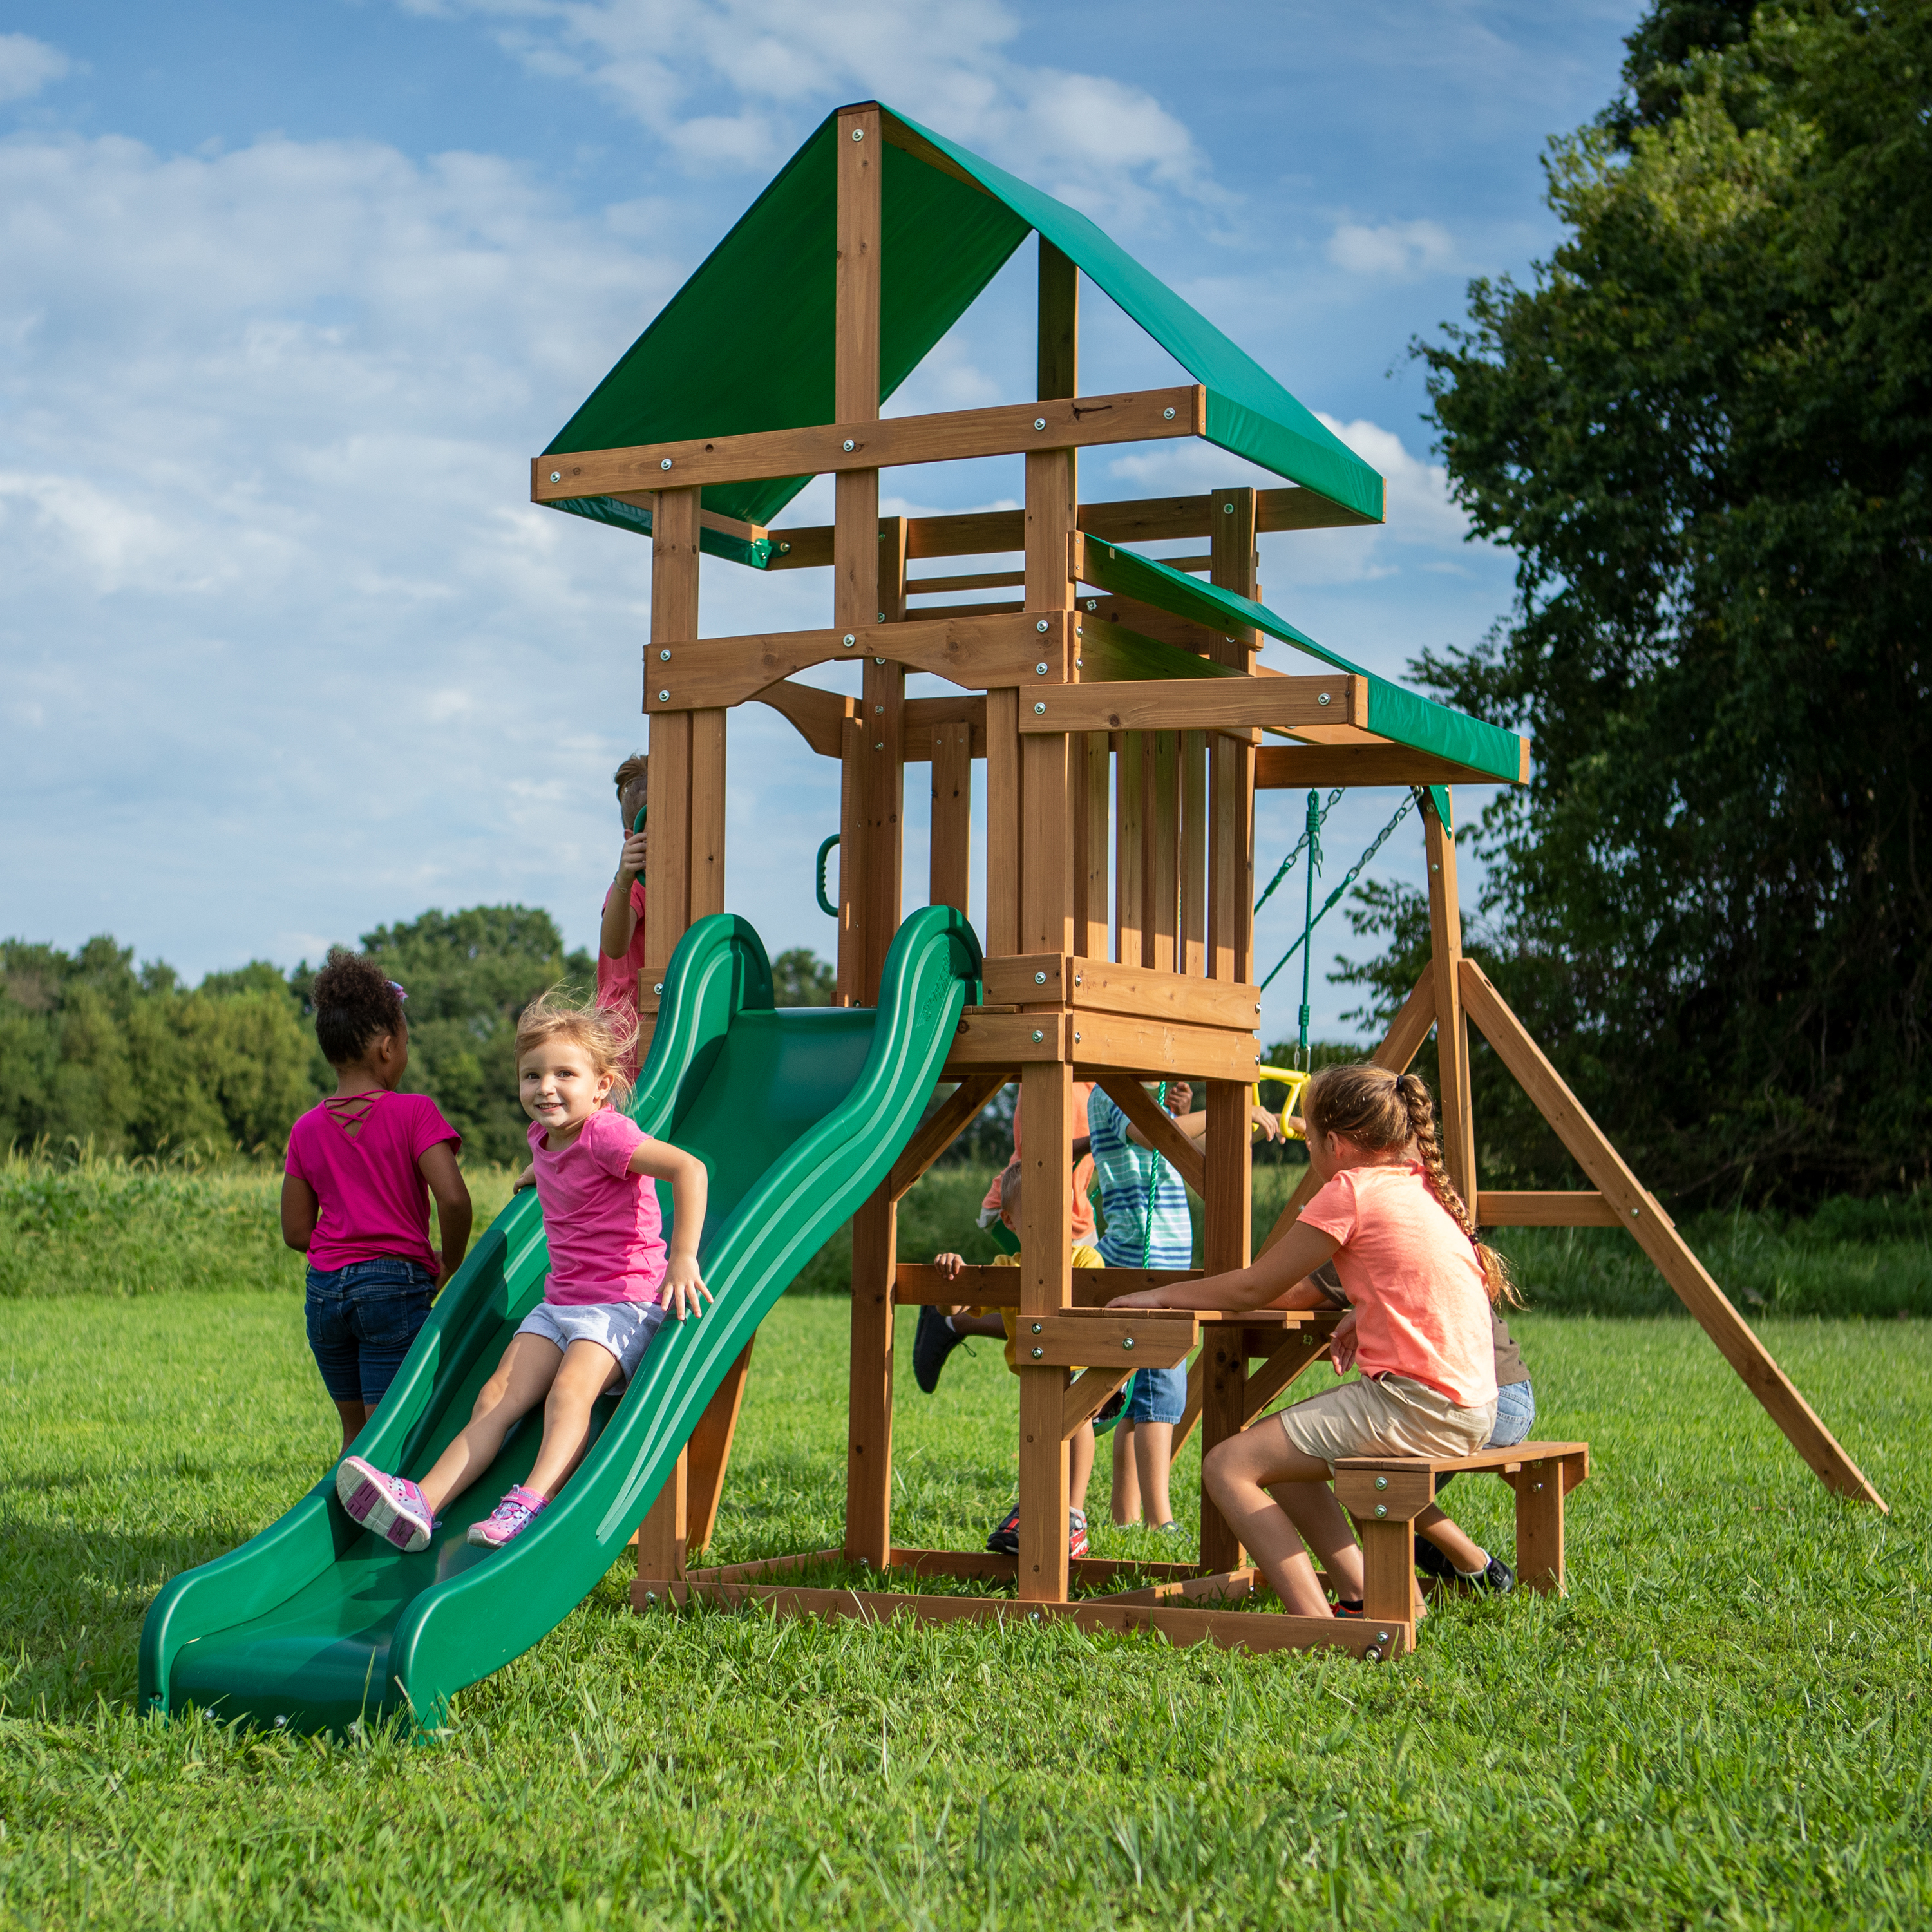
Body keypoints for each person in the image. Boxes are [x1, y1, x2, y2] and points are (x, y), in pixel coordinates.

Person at [1108, 1063, 1509, 1620]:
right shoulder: (1417, 1180)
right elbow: (1416, 1282)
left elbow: (1254, 1285)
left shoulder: (1349, 1190)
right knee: (1281, 1461)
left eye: (1311, 1139)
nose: (1308, 1150)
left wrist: (1158, 1297)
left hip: (1419, 1406)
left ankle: (1315, 1626)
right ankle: (1363, 1598)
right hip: (1470, 1404)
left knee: (1228, 1466)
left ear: (1338, 1145)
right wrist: (1362, 1314)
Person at [335, 988, 710, 1554]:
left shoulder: (608, 1134)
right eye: (532, 1076)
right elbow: (567, 1164)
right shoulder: (543, 1137)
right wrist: (542, 1175)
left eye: (565, 1074)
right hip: (560, 1303)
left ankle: (532, 1500)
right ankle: (423, 1502)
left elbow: (689, 1168)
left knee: (568, 1395)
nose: (546, 1088)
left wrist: (682, 1256)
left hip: (621, 1304)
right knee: (495, 1396)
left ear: (601, 1086)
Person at [282, 952, 471, 1454]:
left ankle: (344, 1529)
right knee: (393, 1436)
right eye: (405, 1041)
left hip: (324, 1295)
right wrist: (450, 1261)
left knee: (356, 1435)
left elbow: (296, 1233)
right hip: (393, 1288)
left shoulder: (306, 1129)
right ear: (389, 1048)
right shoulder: (415, 1113)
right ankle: (389, 1529)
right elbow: (453, 1198)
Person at [1090, 1079, 1281, 1533]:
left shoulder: (1142, 1098)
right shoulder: (1112, 1091)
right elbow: (1150, 1134)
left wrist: (1240, 1123)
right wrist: (1225, 1114)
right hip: (1144, 1261)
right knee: (1161, 1396)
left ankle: (1126, 1516)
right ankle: (1161, 1521)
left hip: (1160, 1261)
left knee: (1140, 1404)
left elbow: (1193, 1150)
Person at [1293, 1262, 1530, 1593]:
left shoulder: (1378, 1223)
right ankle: (1471, 1570)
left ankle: (1411, 1596)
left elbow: (1294, 1294)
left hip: (1476, 1397)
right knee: (1364, 1468)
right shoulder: (1437, 1225)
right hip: (1509, 1391)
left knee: (1362, 1469)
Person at [931, 1160, 1105, 1558]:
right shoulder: (1007, 1268)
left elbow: (1097, 1304)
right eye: (1036, 1209)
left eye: (1059, 1206)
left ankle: (1073, 1513)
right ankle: (1037, 1508)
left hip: (1083, 1368)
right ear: (1009, 1221)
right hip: (1035, 1368)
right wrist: (950, 1277)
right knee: (1036, 1432)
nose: (1050, 1217)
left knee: (1074, 1420)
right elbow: (954, 1307)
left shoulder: (1083, 1260)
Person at [598, 753, 650, 1073]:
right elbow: (614, 945)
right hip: (625, 1041)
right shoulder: (633, 887)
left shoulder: (683, 892)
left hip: (662, 1031)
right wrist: (624, 877)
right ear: (633, 840)